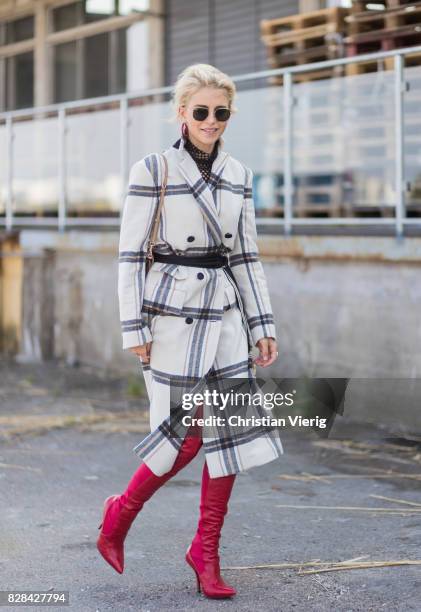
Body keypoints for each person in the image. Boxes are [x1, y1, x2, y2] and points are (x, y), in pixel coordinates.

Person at [97, 63, 283, 600]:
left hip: (223, 316)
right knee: (181, 439)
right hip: (171, 317)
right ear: (181, 113)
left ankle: (205, 553)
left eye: (220, 112)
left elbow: (246, 255)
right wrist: (134, 326)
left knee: (227, 441)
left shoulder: (238, 174)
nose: (211, 120)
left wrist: (261, 324)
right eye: (200, 111)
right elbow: (131, 253)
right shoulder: (152, 169)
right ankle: (119, 514)